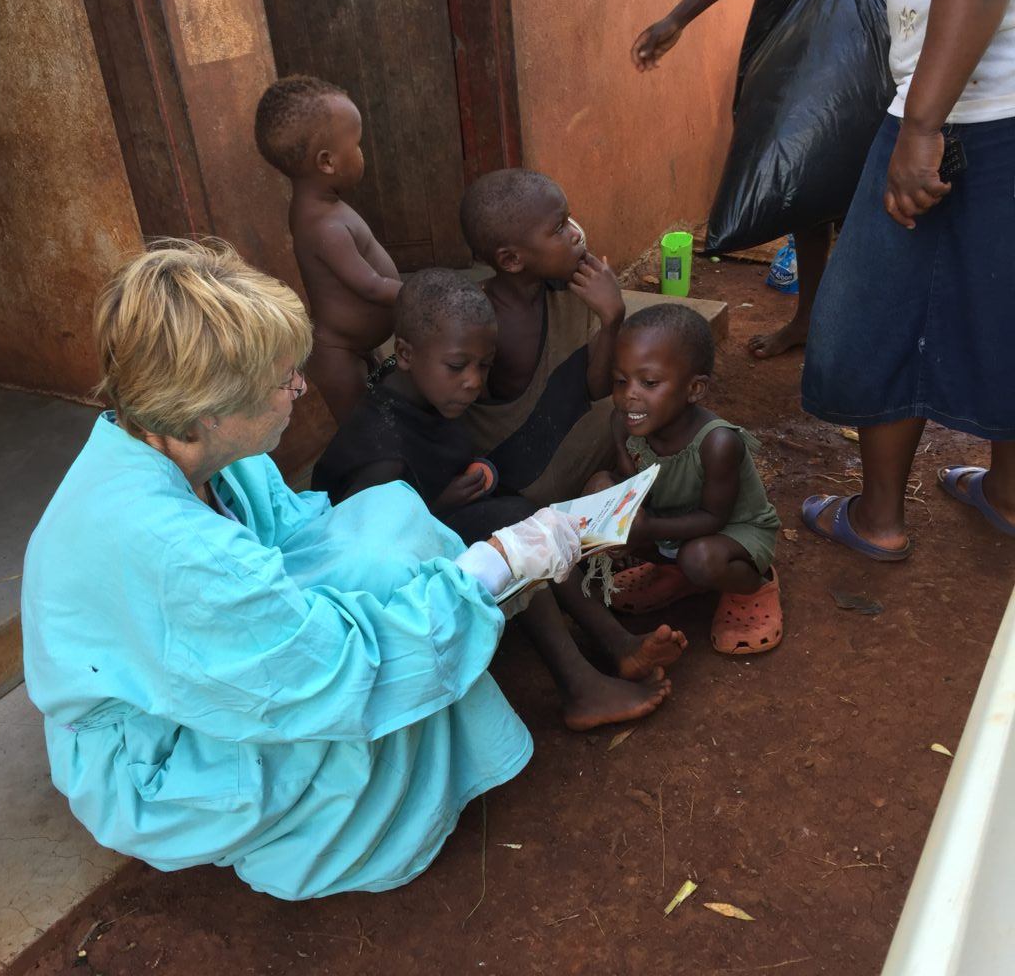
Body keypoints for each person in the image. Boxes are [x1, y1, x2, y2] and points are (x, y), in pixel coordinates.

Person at [21, 239, 584, 901]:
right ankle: (356, 836)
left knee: (390, 534)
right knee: (364, 697)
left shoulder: (188, 444)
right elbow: (341, 675)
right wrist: (491, 569)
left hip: (200, 660)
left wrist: (434, 584)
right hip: (156, 760)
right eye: (280, 379)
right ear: (209, 406)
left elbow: (306, 538)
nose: (300, 387)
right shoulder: (175, 552)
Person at [314, 268, 683, 731]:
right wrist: (438, 502)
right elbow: (369, 548)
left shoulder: (421, 390)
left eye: (483, 366)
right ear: (406, 354)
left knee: (527, 519)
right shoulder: (380, 450)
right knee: (516, 528)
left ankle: (616, 644)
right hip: (379, 590)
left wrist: (476, 473)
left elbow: (449, 457)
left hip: (434, 523)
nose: (472, 382)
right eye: (458, 367)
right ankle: (580, 686)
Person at [801, 0, 1015, 559]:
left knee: (878, 309)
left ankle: (878, 517)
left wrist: (921, 126)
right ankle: (1008, 494)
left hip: (963, 107)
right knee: (1005, 306)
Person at [630, 0, 873, 359]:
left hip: (853, 22)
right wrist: (679, 17)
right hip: (785, 18)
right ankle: (810, 318)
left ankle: (869, 328)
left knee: (867, 171)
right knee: (797, 167)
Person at [588, 304, 783, 655]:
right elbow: (628, 482)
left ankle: (754, 585)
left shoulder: (718, 443)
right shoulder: (624, 422)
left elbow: (714, 518)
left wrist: (644, 530)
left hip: (731, 533)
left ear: (694, 389)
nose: (629, 394)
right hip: (671, 525)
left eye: (649, 382)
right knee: (602, 486)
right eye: (621, 380)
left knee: (700, 559)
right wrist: (614, 520)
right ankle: (678, 576)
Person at [459, 168, 626, 505]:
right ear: (511, 259)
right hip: (527, 494)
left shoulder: (573, 289)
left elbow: (596, 388)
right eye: (558, 228)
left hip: (586, 458)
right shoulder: (478, 322)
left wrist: (612, 319)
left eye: (569, 220)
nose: (576, 234)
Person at [255, 75, 401, 424]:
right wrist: (424, 292)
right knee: (362, 435)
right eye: (358, 144)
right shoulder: (325, 226)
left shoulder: (321, 208)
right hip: (339, 353)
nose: (362, 152)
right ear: (327, 163)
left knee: (381, 418)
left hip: (357, 344)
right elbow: (370, 285)